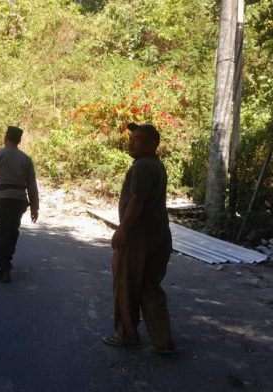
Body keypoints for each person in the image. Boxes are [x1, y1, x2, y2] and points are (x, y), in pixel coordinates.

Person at [102, 122, 175, 356]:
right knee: (151, 287)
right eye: (132, 138)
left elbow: (137, 200)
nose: (132, 142)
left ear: (154, 144)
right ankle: (163, 342)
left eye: (139, 139)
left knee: (126, 287)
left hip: (138, 237)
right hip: (159, 235)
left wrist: (122, 229)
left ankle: (126, 335)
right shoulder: (156, 165)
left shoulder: (143, 166)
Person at [0, 126, 39, 283]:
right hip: (19, 201)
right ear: (18, 141)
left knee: (2, 231)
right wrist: (34, 207)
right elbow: (32, 185)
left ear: (6, 138)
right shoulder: (27, 159)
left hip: (2, 199)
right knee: (13, 231)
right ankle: (7, 263)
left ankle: (4, 268)